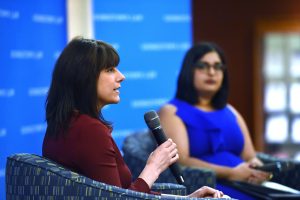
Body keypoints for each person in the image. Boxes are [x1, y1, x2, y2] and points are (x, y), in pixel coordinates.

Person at [42, 37, 228, 198]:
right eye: (109, 70)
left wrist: (188, 198)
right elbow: (119, 198)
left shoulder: (69, 124)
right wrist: (153, 167)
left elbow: (123, 191)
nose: (121, 76)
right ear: (84, 77)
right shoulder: (89, 130)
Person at [158, 42, 271, 199]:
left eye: (218, 67)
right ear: (188, 71)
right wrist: (231, 173)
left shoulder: (231, 110)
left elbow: (250, 156)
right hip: (210, 190)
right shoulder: (171, 111)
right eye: (203, 66)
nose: (212, 72)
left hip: (246, 184)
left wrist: (257, 168)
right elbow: (181, 161)